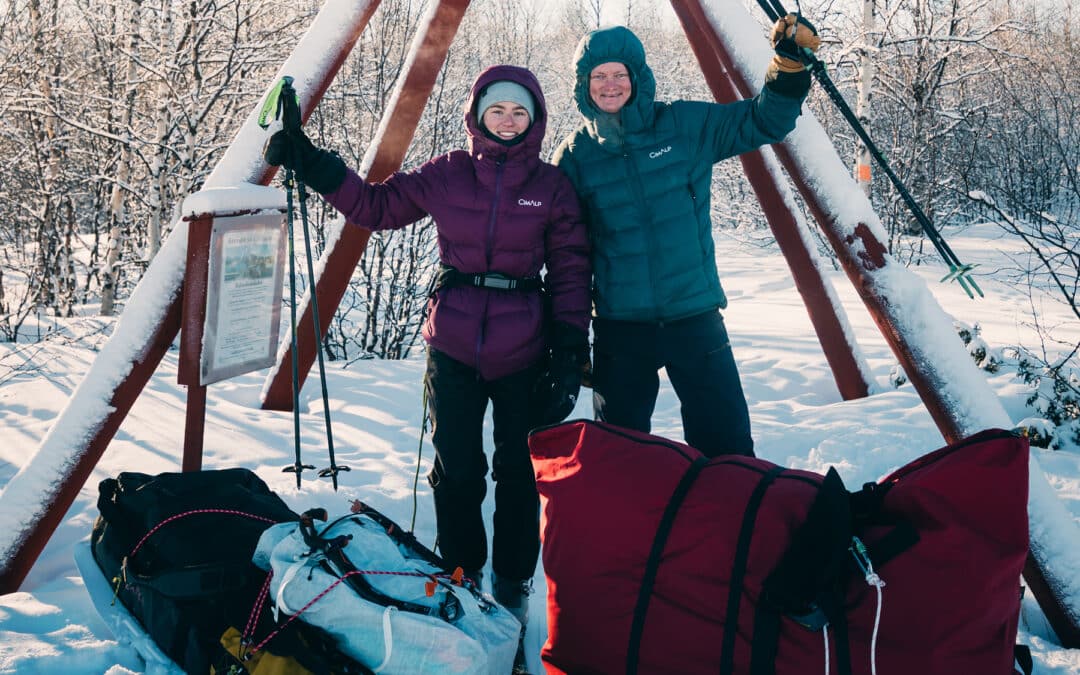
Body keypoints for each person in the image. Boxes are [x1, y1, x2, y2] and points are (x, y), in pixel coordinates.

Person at [263, 65, 591, 644]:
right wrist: (313, 163)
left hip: (526, 348)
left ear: (534, 119)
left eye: (519, 111)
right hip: (454, 346)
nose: (508, 120)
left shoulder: (551, 186)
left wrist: (569, 352)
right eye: (497, 110)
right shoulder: (449, 173)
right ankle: (462, 579)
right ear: (479, 115)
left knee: (518, 474)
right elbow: (376, 208)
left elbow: (570, 269)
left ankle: (513, 589)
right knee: (456, 471)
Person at [552, 17, 820, 458]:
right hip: (621, 329)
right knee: (619, 457)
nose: (610, 84)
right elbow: (567, 256)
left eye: (619, 73)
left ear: (637, 77)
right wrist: (570, 336)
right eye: (598, 76)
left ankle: (731, 505)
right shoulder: (575, 156)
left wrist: (789, 69)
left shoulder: (684, 126)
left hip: (694, 317)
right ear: (584, 85)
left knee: (728, 447)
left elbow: (763, 120)